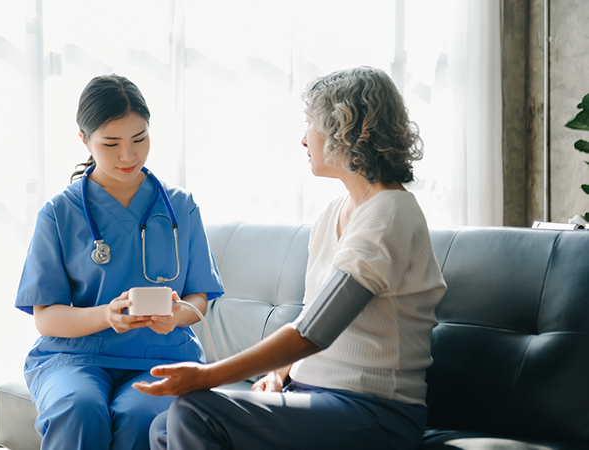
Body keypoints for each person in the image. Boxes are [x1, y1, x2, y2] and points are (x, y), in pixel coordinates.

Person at [133, 66, 447, 450]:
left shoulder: (390, 214)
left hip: (376, 413)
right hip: (313, 395)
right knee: (163, 426)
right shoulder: (335, 212)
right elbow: (309, 313)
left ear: (344, 130)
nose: (303, 139)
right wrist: (280, 373)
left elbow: (315, 330)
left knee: (194, 411)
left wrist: (206, 376)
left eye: (311, 124)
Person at [15, 74, 224, 450]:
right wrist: (105, 317)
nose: (128, 156)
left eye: (139, 139)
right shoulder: (59, 213)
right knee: (77, 408)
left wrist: (176, 317)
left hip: (161, 355)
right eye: (111, 143)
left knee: (144, 418)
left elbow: (198, 298)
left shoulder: (180, 207)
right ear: (85, 139)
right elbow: (45, 317)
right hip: (73, 357)